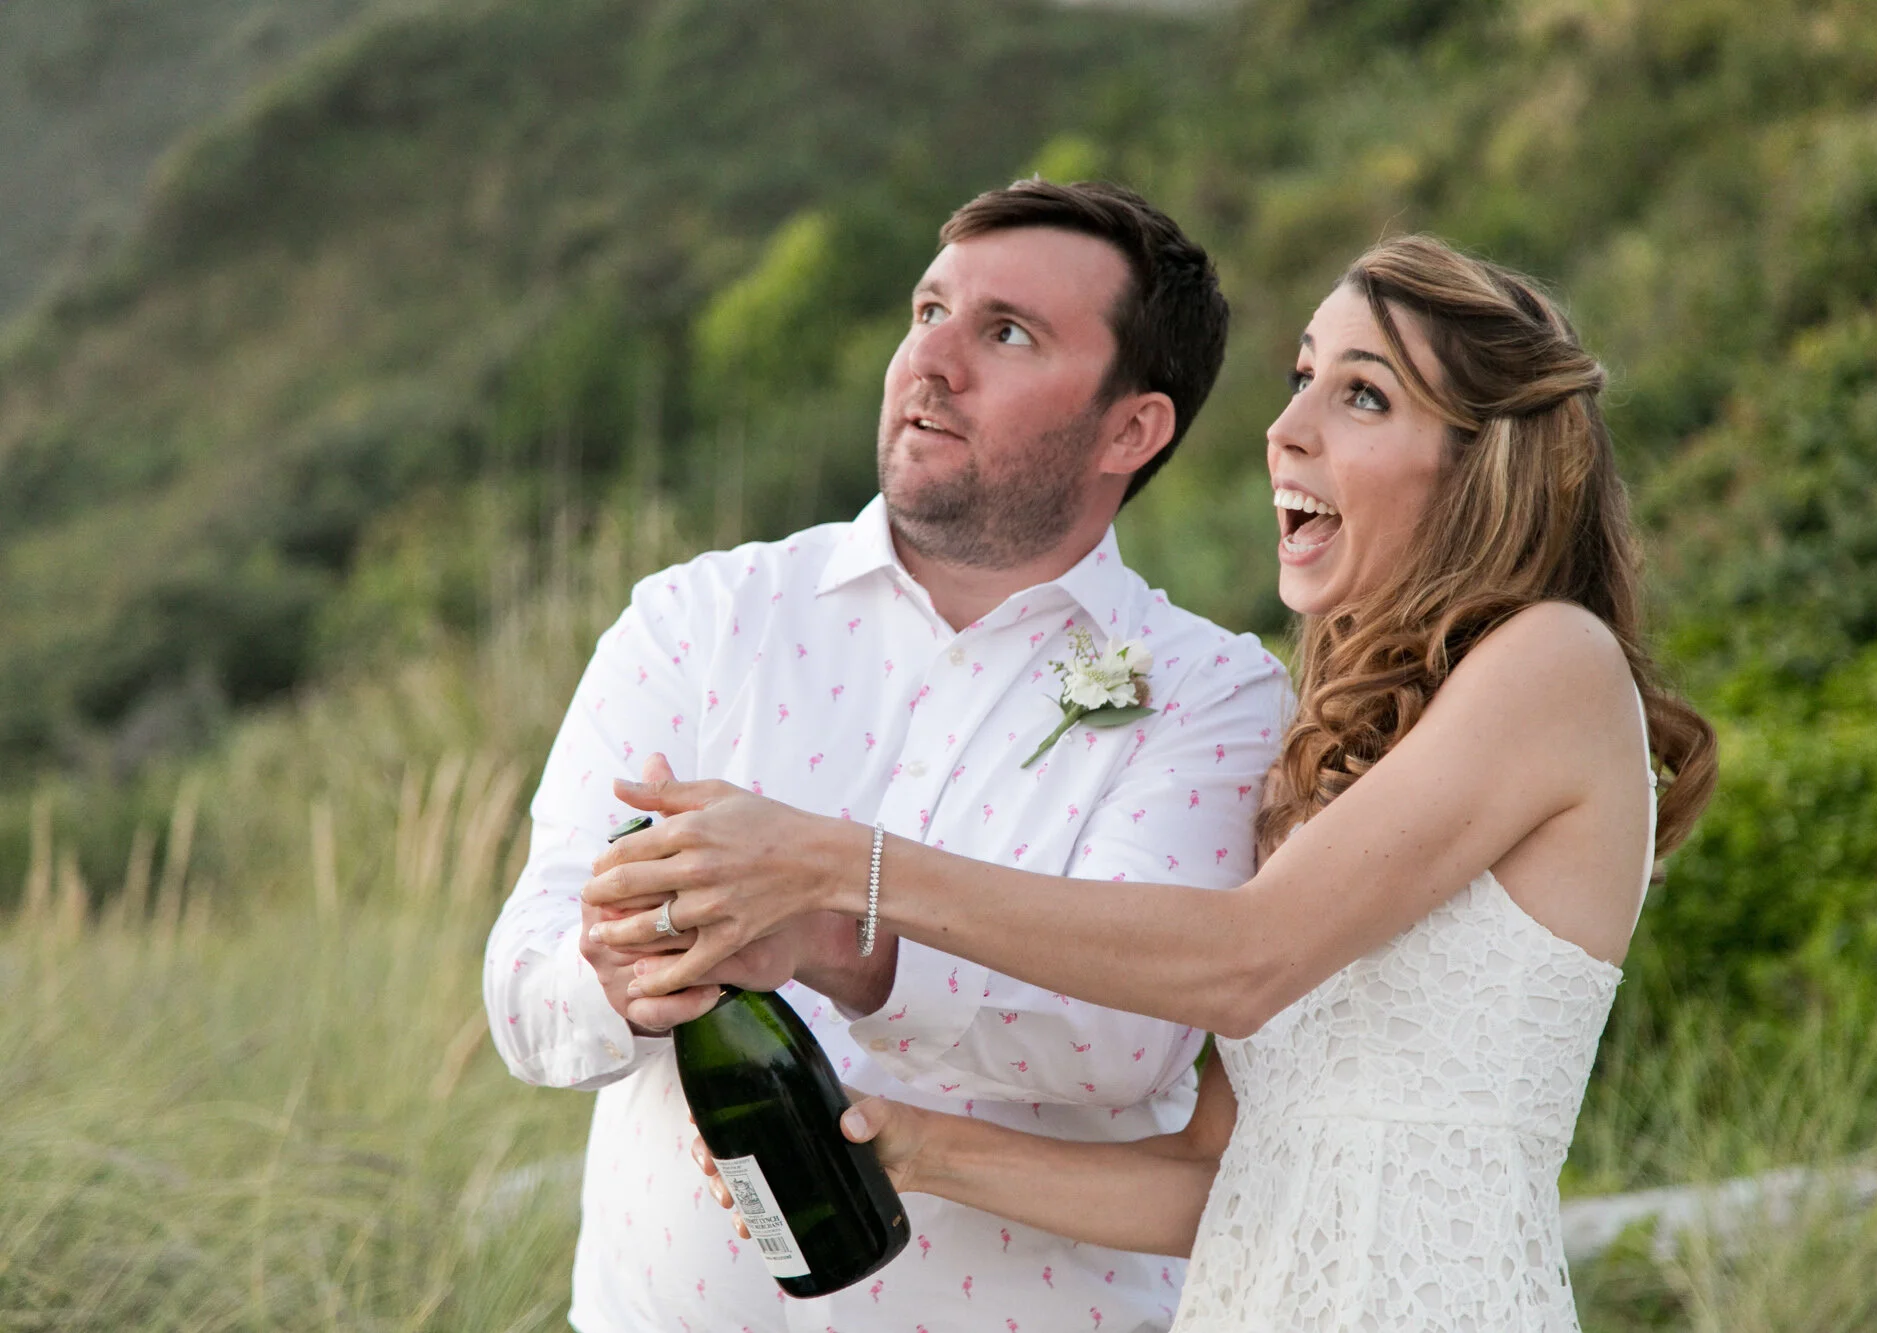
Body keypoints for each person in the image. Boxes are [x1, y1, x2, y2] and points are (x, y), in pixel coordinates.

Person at [589, 234, 1720, 1331]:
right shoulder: (1343, 753)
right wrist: (904, 1147)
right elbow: (1213, 1176)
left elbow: (1242, 960)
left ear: (1485, 463)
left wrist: (840, 866)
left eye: (1362, 396)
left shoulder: (1553, 663)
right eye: (1299, 379)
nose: (1285, 430)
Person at [482, 178, 1292, 1333]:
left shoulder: (1212, 694)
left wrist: (833, 938)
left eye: (1004, 333)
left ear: (1131, 427)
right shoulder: (698, 618)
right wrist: (617, 973)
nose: (933, 362)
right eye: (927, 312)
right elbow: (523, 993)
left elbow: (1124, 1040)